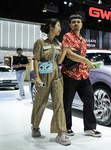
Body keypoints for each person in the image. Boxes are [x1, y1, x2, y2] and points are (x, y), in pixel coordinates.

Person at [31, 18, 71, 146]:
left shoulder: (59, 45)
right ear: (50, 27)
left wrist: (64, 51)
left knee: (59, 103)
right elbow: (36, 59)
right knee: (40, 101)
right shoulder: (40, 42)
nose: (60, 28)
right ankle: (35, 126)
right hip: (43, 75)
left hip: (57, 75)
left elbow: (59, 62)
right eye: (58, 26)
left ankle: (60, 133)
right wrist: (37, 76)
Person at [61, 14, 101, 137]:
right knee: (67, 103)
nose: (76, 24)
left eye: (78, 22)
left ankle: (89, 128)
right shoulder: (67, 37)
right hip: (69, 75)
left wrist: (90, 64)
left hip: (83, 75)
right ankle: (66, 127)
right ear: (70, 25)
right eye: (73, 22)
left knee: (89, 100)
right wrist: (86, 61)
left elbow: (81, 58)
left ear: (82, 24)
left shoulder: (83, 41)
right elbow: (68, 54)